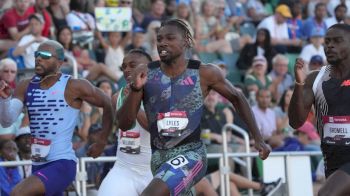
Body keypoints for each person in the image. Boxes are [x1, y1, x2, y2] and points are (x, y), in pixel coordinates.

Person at [117, 18, 270, 196]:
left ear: (186, 41)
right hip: (159, 158)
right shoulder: (146, 74)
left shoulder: (204, 72)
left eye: (170, 38)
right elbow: (124, 124)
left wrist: (257, 138)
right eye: (159, 39)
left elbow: (238, 97)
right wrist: (136, 90)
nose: (163, 43)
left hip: (192, 155)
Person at [0, 40, 113, 196]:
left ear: (59, 62)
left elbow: (108, 103)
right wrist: (4, 100)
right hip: (38, 163)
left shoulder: (74, 85)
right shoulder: (25, 85)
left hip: (61, 163)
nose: (39, 58)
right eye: (37, 54)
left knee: (17, 193)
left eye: (45, 55)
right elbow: (6, 121)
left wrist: (102, 141)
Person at [289, 24, 350, 196]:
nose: (329, 45)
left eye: (337, 41)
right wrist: (299, 84)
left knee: (326, 194)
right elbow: (295, 122)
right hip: (332, 160)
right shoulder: (315, 79)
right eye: (327, 41)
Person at [98, 49, 153, 196]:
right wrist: (101, 141)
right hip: (124, 169)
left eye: (132, 65)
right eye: (124, 66)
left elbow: (154, 129)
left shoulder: (162, 95)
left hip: (155, 170)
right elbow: (112, 120)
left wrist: (134, 98)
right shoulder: (118, 96)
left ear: (148, 67)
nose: (127, 69)